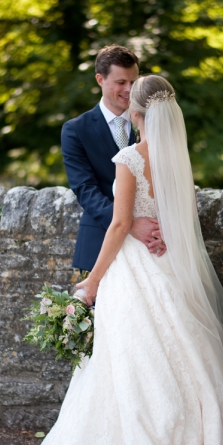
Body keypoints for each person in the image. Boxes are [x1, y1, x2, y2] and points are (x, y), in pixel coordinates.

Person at [29, 74, 223, 445]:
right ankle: (189, 443)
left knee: (132, 364)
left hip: (133, 272)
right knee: (183, 356)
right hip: (171, 268)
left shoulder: (129, 159)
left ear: (136, 114)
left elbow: (119, 225)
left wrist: (91, 284)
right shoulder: (176, 159)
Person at [61, 45, 165, 274]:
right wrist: (128, 224)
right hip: (100, 242)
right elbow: (85, 189)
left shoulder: (154, 124)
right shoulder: (75, 130)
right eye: (121, 82)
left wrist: (165, 230)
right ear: (100, 79)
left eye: (134, 82)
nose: (129, 89)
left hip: (153, 246)